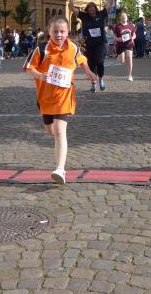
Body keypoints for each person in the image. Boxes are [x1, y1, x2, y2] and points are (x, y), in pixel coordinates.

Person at [24, 16, 98, 184]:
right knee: (50, 130)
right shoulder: (41, 49)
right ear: (49, 31)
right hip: (45, 98)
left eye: (62, 31)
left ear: (67, 32)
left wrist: (89, 72)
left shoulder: (73, 48)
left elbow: (82, 60)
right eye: (55, 31)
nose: (59, 34)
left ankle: (60, 169)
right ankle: (59, 155)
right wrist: (40, 75)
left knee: (59, 131)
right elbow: (28, 68)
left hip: (64, 96)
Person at [68, 0, 114, 92]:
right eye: (90, 10)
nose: (92, 11)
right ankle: (93, 84)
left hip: (100, 43)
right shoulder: (84, 16)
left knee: (99, 61)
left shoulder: (101, 14)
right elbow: (72, 8)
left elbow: (110, 4)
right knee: (91, 64)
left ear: (96, 9)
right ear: (87, 10)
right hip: (88, 45)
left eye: (93, 10)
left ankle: (101, 79)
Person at [113, 11, 136, 81]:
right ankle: (119, 57)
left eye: (125, 16)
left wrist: (133, 38)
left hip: (129, 44)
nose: (124, 17)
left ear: (127, 18)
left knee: (129, 58)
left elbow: (134, 34)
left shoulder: (131, 26)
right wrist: (117, 39)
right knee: (122, 61)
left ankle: (130, 75)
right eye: (122, 16)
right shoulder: (117, 26)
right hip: (120, 45)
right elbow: (114, 35)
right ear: (120, 18)